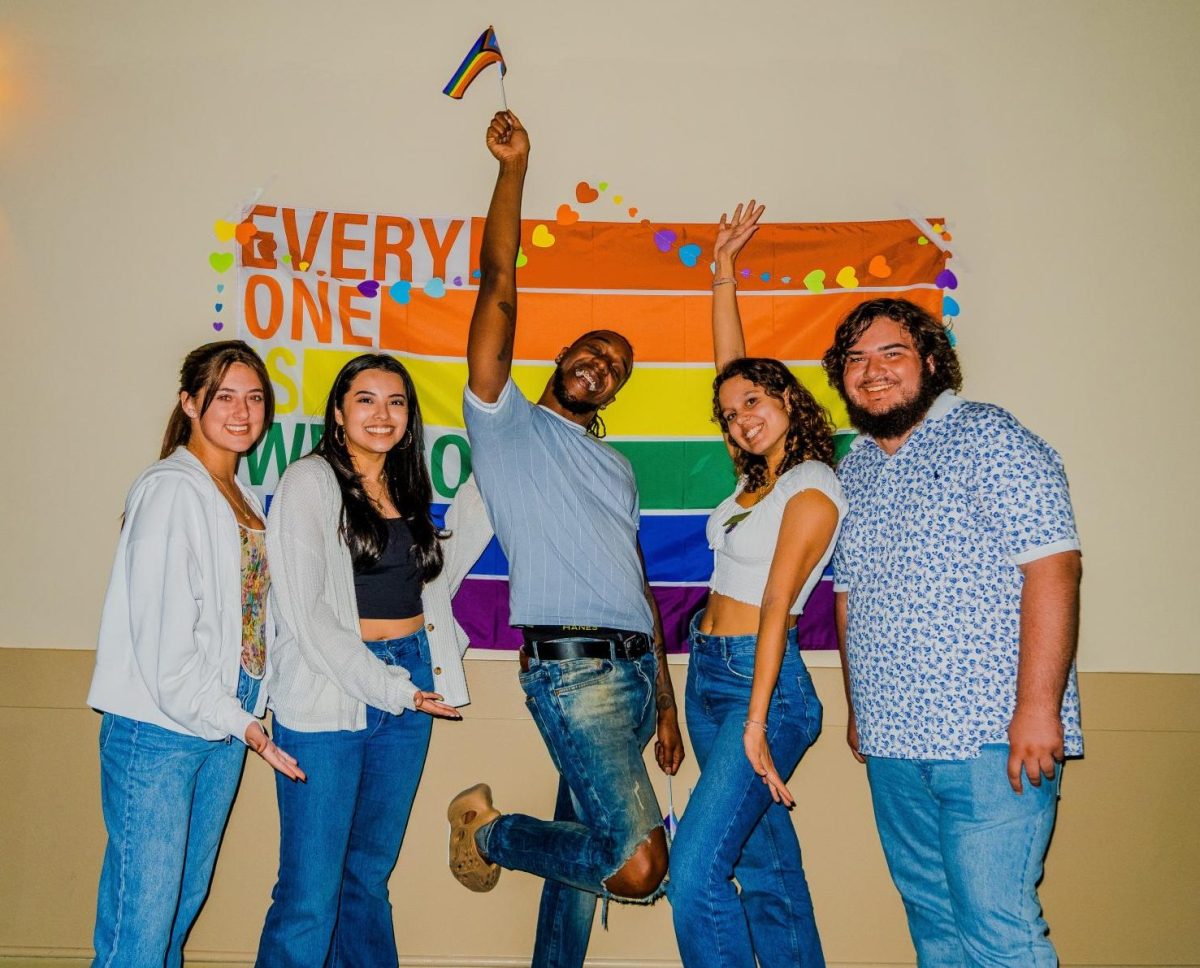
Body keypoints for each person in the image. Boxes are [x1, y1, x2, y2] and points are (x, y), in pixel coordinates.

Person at [445, 110, 685, 968]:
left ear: (614, 390)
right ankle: (493, 831)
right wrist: (515, 170)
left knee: (583, 868)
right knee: (636, 866)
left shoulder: (615, 467)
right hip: (570, 668)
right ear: (561, 355)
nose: (601, 364)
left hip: (629, 669)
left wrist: (663, 698)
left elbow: (639, 583)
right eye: (591, 349)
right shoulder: (506, 425)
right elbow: (498, 282)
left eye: (616, 364)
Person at [824, 298, 1083, 965]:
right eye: (855, 359)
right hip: (892, 742)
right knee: (934, 927)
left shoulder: (988, 436)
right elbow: (847, 596)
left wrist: (1036, 709)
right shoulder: (853, 467)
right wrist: (860, 709)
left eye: (892, 354)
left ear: (932, 362)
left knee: (998, 930)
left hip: (990, 739)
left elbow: (1054, 568)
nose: (871, 372)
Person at [255, 353, 492, 968]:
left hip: (409, 676)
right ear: (338, 412)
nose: (381, 414)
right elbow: (308, 618)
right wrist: (396, 689)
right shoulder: (310, 482)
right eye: (366, 399)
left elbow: (437, 568)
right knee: (310, 891)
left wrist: (497, 473)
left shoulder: (409, 486)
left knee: (367, 875)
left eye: (396, 402)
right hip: (335, 688)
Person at [87, 340, 305, 968]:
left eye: (254, 398)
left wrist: (248, 714)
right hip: (159, 731)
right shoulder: (170, 490)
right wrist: (245, 726)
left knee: (176, 913)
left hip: (221, 728)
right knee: (140, 931)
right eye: (224, 397)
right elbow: (164, 649)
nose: (242, 412)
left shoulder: (244, 497)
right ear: (189, 403)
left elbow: (255, 625)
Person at [665, 201, 840, 968]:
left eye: (756, 404)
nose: (740, 419)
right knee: (766, 870)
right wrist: (723, 274)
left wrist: (758, 720)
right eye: (730, 414)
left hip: (759, 685)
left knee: (694, 874)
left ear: (789, 401)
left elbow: (776, 604)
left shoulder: (810, 483)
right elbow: (730, 371)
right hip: (710, 672)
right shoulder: (755, 481)